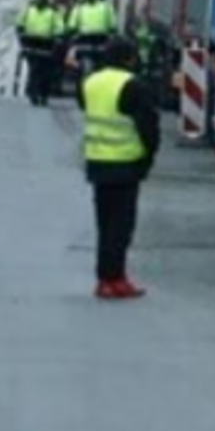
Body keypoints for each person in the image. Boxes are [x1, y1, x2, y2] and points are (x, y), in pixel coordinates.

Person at [81, 37, 160, 300]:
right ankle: (113, 279)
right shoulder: (133, 86)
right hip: (125, 164)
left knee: (104, 224)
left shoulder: (90, 83)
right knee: (121, 227)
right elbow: (148, 127)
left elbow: (86, 107)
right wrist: (149, 156)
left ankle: (107, 277)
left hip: (97, 162)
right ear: (129, 59)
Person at [16, 0, 64, 106]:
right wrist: (21, 32)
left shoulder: (53, 12)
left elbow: (59, 26)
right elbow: (19, 22)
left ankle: (43, 95)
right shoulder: (28, 9)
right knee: (34, 70)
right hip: (31, 43)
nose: (40, 1)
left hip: (46, 45)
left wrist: (58, 36)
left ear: (46, 0)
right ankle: (33, 93)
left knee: (45, 73)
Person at [66, 0, 118, 81]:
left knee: (102, 65)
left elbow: (113, 25)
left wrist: (112, 32)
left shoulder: (106, 6)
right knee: (78, 63)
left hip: (101, 39)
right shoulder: (79, 7)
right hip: (84, 39)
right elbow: (72, 24)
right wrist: (71, 31)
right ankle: (79, 79)